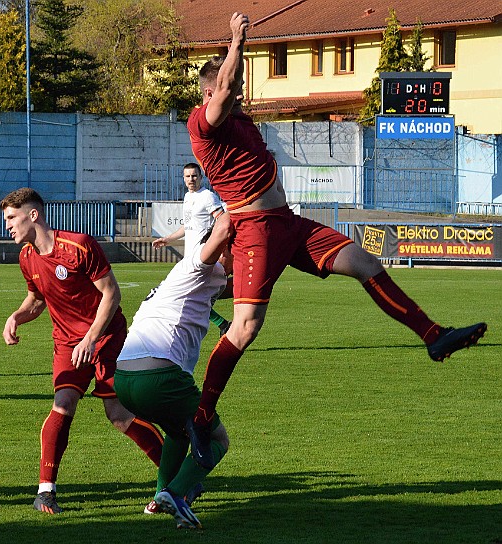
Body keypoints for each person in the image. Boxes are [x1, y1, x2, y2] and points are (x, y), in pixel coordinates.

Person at [184, 12, 487, 467]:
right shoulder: (204, 123)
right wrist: (235, 39)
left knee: (365, 263)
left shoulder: (239, 118)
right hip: (255, 232)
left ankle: (433, 335)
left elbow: (232, 86)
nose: (240, 96)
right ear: (210, 94)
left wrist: (237, 57)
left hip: (287, 224)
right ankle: (202, 417)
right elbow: (226, 86)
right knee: (245, 329)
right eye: (232, 91)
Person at [1, 187, 164, 515]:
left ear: (33, 215)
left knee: (117, 415)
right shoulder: (27, 257)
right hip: (67, 343)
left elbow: (111, 294)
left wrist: (91, 338)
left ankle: (174, 472)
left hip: (106, 338)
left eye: (11, 218)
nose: (7, 225)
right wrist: (16, 317)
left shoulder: (79, 246)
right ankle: (46, 491)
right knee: (62, 405)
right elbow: (36, 300)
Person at [116, 222, 232, 530]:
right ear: (223, 249)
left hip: (125, 379)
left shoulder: (197, 277)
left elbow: (236, 286)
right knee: (218, 438)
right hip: (160, 376)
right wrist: (239, 202)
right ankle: (175, 493)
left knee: (178, 432)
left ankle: (158, 499)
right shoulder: (198, 264)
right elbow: (222, 233)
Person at [152, 162, 232, 334]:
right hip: (190, 258)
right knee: (193, 298)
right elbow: (186, 226)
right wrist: (168, 239)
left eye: (194, 176)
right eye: (188, 176)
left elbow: (222, 220)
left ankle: (223, 321)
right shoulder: (188, 198)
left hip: (202, 258)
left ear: (201, 177)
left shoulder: (207, 197)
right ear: (183, 178)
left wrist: (216, 248)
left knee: (185, 297)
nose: (191, 179)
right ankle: (224, 323)